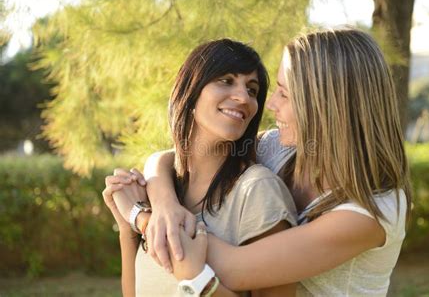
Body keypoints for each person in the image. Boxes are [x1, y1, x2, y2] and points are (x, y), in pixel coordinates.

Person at [112, 27, 412, 296]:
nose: (268, 105)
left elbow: (233, 268)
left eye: (284, 94)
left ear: (325, 105)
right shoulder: (279, 151)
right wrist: (165, 204)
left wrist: (141, 217)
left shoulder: (372, 210)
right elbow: (176, 157)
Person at [102, 38, 298, 297]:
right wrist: (129, 230)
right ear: (191, 91)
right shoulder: (158, 192)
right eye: (226, 81)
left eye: (252, 90)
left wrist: (140, 219)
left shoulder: (257, 191)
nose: (243, 98)